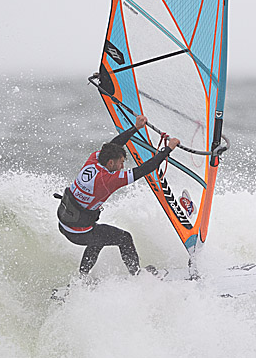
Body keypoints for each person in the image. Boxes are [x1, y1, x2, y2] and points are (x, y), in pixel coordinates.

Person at [56, 115, 180, 278]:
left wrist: (135, 128)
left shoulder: (94, 159)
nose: (123, 166)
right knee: (124, 238)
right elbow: (145, 169)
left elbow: (114, 144)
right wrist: (168, 149)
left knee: (98, 237)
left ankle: (82, 277)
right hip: (79, 232)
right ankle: (138, 276)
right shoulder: (109, 180)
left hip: (65, 224)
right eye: (120, 162)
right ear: (110, 163)